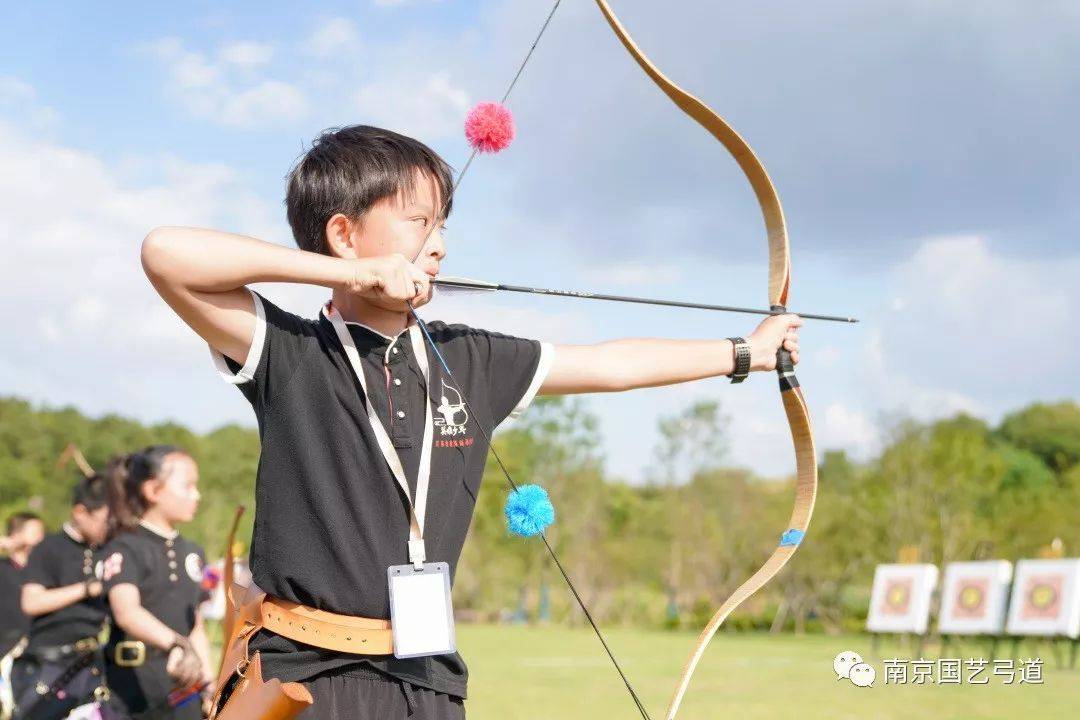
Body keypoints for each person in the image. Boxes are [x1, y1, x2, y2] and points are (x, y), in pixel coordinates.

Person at [140, 124, 802, 720]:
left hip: (426, 680)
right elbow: (166, 253)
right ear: (344, 233)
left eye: (444, 224)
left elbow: (612, 365)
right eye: (419, 223)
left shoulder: (468, 358)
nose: (441, 245)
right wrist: (352, 273)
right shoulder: (289, 352)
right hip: (302, 678)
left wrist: (745, 351)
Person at [102, 447, 213, 720]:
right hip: (133, 690)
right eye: (187, 486)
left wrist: (210, 686)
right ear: (153, 491)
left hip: (185, 687)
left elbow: (195, 625)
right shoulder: (124, 546)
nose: (196, 495)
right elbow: (127, 613)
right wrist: (177, 645)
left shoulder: (193, 552)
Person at [11, 477, 111, 720]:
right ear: (80, 512)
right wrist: (87, 589)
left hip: (92, 664)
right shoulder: (49, 547)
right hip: (48, 664)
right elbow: (31, 602)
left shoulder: (107, 551)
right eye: (105, 520)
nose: (109, 527)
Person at [0, 513, 45, 658]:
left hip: (35, 650)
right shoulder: (3, 567)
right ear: (15, 534)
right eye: (36, 533)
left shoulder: (42, 572)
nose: (42, 539)